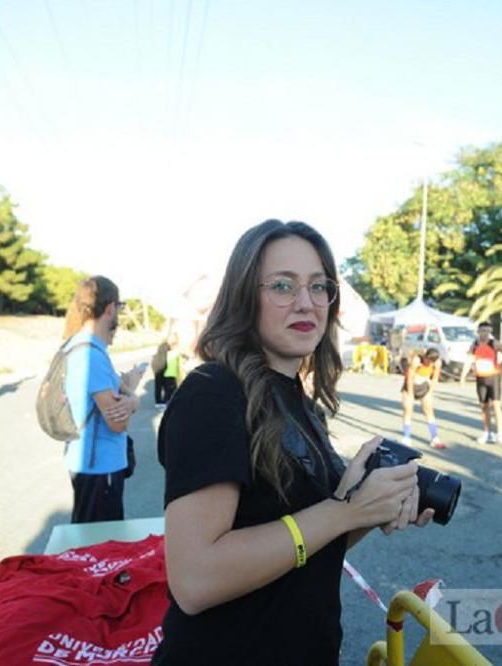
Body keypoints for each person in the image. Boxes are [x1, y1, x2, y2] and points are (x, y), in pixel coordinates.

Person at [153, 220, 431, 665]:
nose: (307, 303)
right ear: (245, 296)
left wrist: (370, 510)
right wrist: (344, 511)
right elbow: (195, 580)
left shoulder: (299, 403)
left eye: (319, 287)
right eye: (283, 286)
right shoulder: (214, 392)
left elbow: (308, 542)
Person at [61, 276, 145, 524]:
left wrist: (128, 391)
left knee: (91, 539)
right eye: (119, 308)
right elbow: (117, 423)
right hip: (99, 466)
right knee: (100, 545)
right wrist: (133, 400)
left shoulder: (82, 347)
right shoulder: (91, 356)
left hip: (90, 462)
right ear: (110, 309)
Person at [461, 321, 502, 444]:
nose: (485, 333)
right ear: (478, 331)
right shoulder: (474, 345)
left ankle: (500, 433)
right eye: (483, 331)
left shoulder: (494, 343)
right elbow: (469, 359)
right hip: (480, 379)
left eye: (488, 331)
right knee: (484, 407)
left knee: (497, 406)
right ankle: (487, 433)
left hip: (493, 379)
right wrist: (463, 376)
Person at [400, 347, 444, 449]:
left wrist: (430, 392)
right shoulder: (417, 360)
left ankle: (434, 437)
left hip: (424, 386)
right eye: (429, 361)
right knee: (408, 410)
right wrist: (410, 394)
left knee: (429, 411)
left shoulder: (437, 363)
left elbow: (435, 378)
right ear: (426, 357)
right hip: (410, 386)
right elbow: (410, 378)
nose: (430, 364)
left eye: (432, 362)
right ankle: (406, 438)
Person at [161, 331, 183, 405]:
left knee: (171, 389)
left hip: (172, 374)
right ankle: (167, 402)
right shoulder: (172, 352)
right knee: (170, 389)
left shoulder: (175, 352)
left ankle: (167, 401)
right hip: (169, 374)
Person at [151, 335, 170, 409]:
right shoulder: (167, 347)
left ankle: (158, 401)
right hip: (162, 367)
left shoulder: (160, 348)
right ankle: (162, 401)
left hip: (157, 367)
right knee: (165, 385)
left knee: (158, 385)